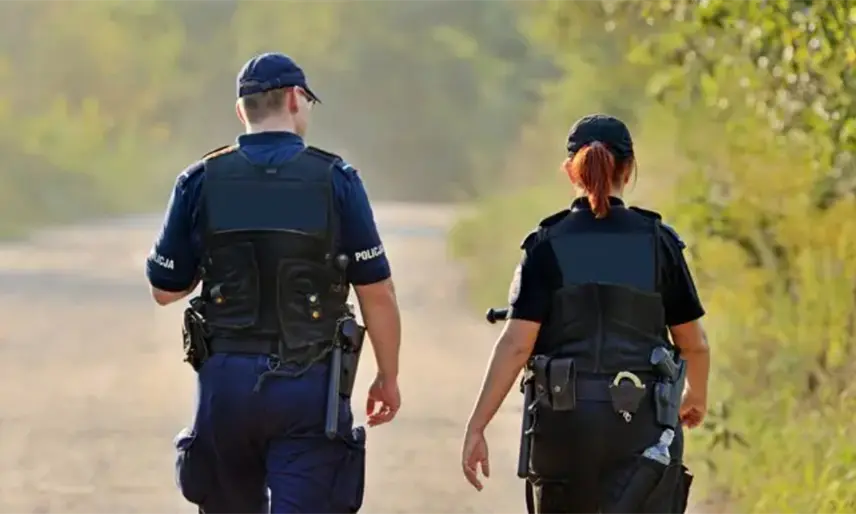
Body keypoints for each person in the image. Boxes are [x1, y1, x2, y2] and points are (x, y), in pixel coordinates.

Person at [145, 52, 402, 514]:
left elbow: (165, 288)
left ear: (242, 109)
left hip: (225, 381)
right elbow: (376, 292)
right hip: (311, 382)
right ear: (294, 99)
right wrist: (388, 376)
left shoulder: (199, 180)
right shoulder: (336, 180)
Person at [460, 114, 710, 514]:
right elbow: (693, 343)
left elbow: (515, 346)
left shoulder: (546, 244)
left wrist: (477, 426)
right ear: (628, 170)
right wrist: (694, 395)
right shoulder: (659, 243)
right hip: (643, 427)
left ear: (569, 171)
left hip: (563, 426)